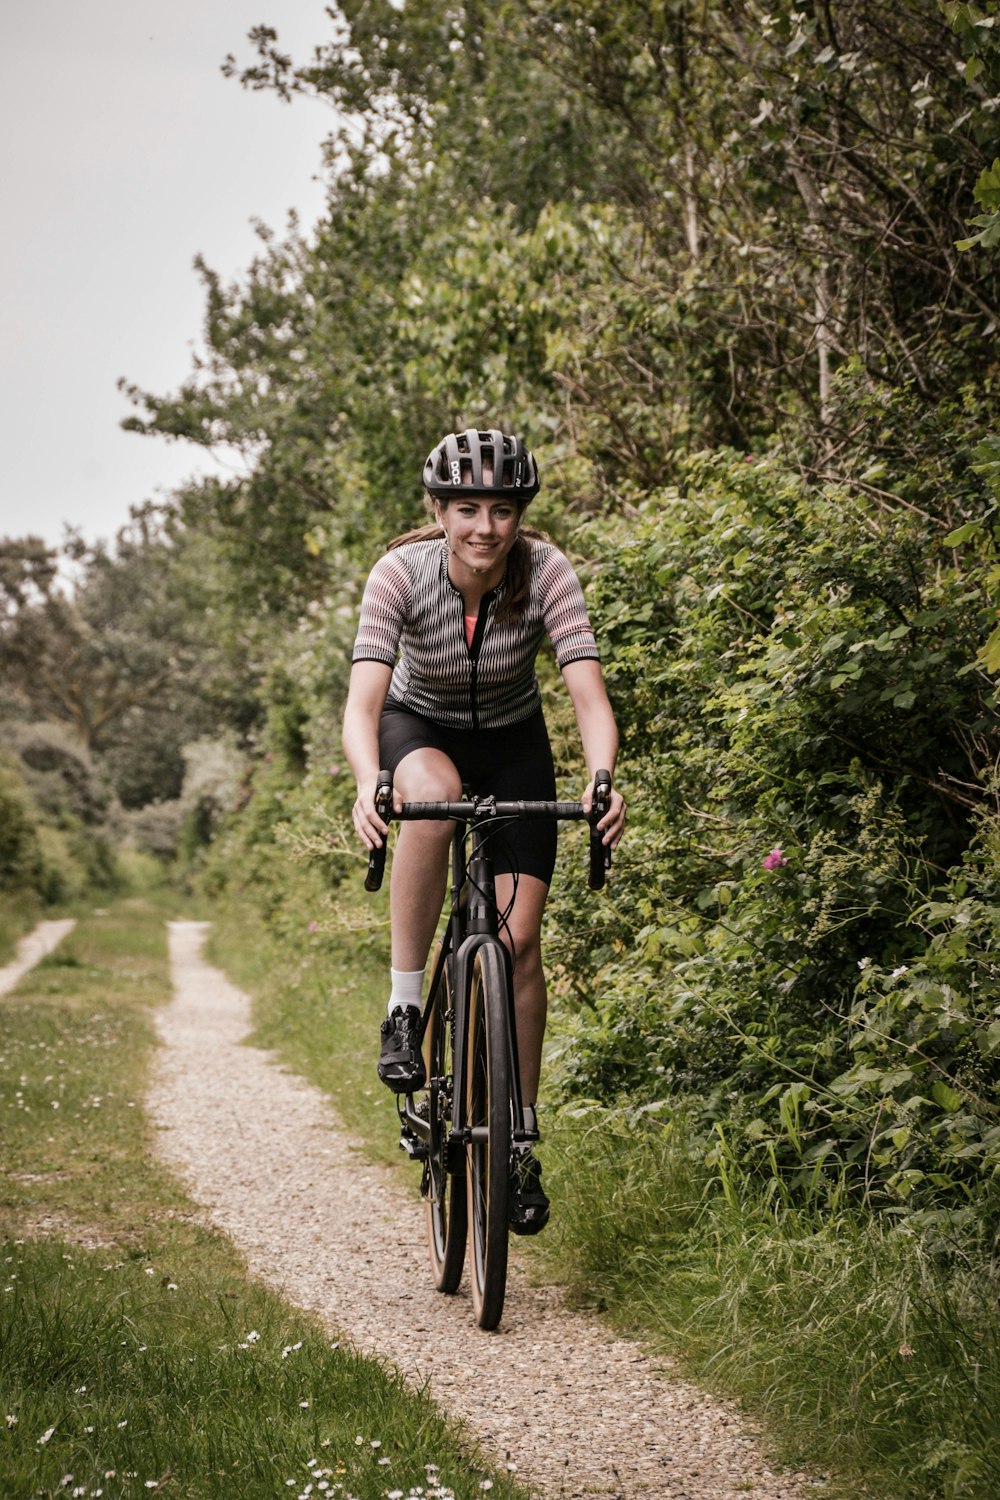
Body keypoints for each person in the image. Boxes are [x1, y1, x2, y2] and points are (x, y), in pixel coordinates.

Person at [342, 427, 626, 1233]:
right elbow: (363, 707)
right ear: (438, 511)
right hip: (418, 725)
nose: (484, 527)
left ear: (519, 517)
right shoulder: (400, 573)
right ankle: (405, 1009)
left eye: (501, 510)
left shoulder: (548, 574)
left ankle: (517, 1141)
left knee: (519, 940)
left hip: (513, 745)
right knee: (427, 792)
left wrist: (602, 778)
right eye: (466, 508)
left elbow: (589, 700)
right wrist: (371, 783)